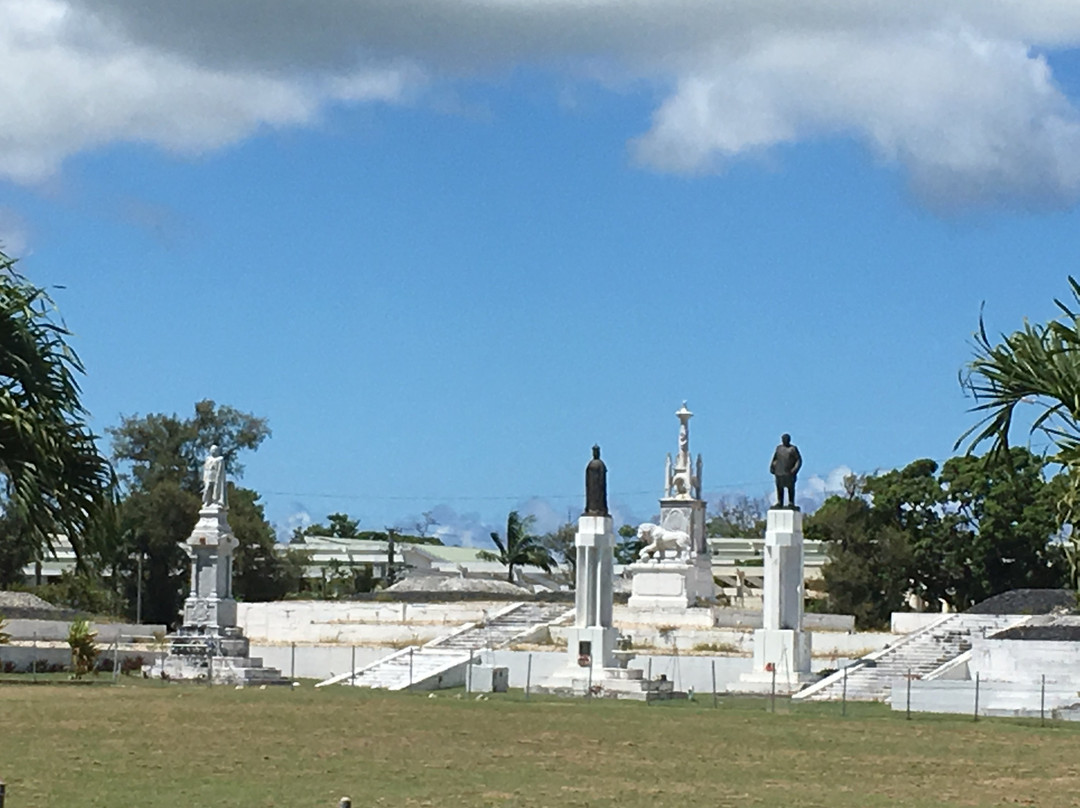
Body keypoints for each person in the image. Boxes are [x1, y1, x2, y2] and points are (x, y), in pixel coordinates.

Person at [769, 433, 802, 508]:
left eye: (786, 439)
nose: (784, 440)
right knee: (779, 488)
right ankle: (780, 502)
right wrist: (772, 467)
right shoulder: (778, 448)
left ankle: (791, 502)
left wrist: (794, 469)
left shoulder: (793, 449)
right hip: (779, 472)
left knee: (790, 488)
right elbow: (775, 458)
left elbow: (798, 460)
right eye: (783, 439)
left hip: (789, 473)